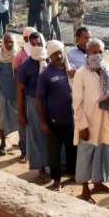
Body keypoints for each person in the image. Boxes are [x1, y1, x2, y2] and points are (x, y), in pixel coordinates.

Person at [73, 38, 109, 203]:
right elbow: (77, 102)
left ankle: (98, 183)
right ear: (87, 53)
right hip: (88, 121)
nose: (96, 55)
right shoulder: (81, 73)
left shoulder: (107, 69)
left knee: (104, 151)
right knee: (86, 155)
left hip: (105, 118)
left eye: (100, 52)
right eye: (93, 52)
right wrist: (82, 126)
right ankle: (85, 189)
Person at [37, 40, 76, 191]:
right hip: (53, 120)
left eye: (60, 52)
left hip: (71, 118)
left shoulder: (70, 70)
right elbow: (39, 100)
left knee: (72, 149)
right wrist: (43, 122)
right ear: (49, 56)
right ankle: (57, 181)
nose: (58, 56)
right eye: (54, 54)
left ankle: (72, 175)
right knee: (54, 153)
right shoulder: (46, 74)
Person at [17, 32, 49, 180]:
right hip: (33, 102)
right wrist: (21, 114)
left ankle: (53, 165)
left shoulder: (50, 61)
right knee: (36, 136)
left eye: (39, 44)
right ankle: (40, 167)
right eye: (33, 44)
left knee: (51, 135)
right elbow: (20, 90)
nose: (37, 46)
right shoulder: (25, 66)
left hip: (50, 102)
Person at [0, 32, 19, 156]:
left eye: (11, 41)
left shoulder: (18, 56)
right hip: (4, 95)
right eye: (6, 41)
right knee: (2, 120)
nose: (9, 44)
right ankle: (3, 143)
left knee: (21, 120)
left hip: (18, 95)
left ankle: (22, 143)